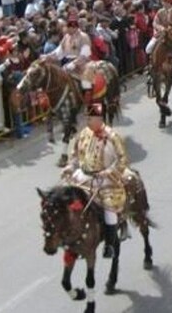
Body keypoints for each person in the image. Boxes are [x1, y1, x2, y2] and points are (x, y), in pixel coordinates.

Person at [61, 103, 129, 258]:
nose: (87, 122)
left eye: (90, 119)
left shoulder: (112, 136)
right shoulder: (83, 133)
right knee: (64, 196)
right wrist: (69, 168)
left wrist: (108, 172)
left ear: (99, 119)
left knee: (108, 207)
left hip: (104, 178)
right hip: (84, 175)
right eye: (87, 118)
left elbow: (123, 160)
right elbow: (74, 156)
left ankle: (110, 244)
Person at [47, 16, 96, 104]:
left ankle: (91, 103)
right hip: (67, 64)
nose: (66, 30)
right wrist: (48, 56)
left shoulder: (84, 37)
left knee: (86, 83)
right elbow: (59, 51)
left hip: (83, 64)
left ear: (74, 27)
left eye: (68, 27)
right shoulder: (66, 37)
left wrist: (74, 64)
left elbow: (85, 54)